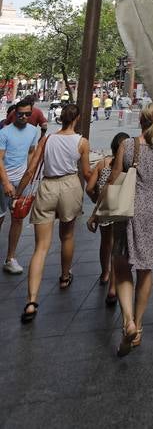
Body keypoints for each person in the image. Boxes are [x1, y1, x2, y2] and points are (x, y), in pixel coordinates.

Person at [94, 102, 153, 357]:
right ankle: (138, 328)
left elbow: (114, 178)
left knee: (121, 267)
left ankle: (126, 320)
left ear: (139, 120)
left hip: (127, 212)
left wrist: (98, 210)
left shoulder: (127, 145)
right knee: (146, 269)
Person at [16, 103, 91, 323]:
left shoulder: (47, 139)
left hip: (47, 187)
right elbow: (85, 173)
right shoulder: (81, 142)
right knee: (67, 235)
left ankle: (31, 301)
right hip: (69, 186)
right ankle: (65, 276)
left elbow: (31, 170)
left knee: (40, 247)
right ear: (76, 119)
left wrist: (19, 193)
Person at [86, 132, 130, 306]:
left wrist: (96, 200)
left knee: (105, 242)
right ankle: (113, 286)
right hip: (121, 208)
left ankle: (105, 273)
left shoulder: (102, 164)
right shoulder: (127, 167)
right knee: (117, 247)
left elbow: (89, 188)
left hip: (104, 208)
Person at [0, 100, 40, 274]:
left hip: (22, 182)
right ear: (14, 113)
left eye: (27, 114)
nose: (24, 117)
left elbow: (31, 152)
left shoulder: (33, 131)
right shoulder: (4, 133)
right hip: (3, 181)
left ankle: (10, 258)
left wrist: (29, 176)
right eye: (20, 114)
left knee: (17, 218)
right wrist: (6, 182)